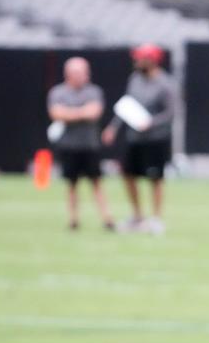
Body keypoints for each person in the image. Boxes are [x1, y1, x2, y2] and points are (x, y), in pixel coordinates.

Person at [101, 43, 177, 235]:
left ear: (152, 60)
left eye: (141, 58)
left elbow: (171, 113)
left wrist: (151, 123)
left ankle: (156, 218)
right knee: (128, 174)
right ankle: (137, 216)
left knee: (155, 178)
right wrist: (112, 127)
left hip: (156, 139)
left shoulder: (166, 83)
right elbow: (127, 106)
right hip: (134, 138)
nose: (137, 61)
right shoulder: (134, 79)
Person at [46, 57, 114, 231]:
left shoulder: (93, 91)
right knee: (71, 184)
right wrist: (82, 112)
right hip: (69, 146)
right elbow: (56, 113)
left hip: (90, 145)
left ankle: (107, 218)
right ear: (69, 74)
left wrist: (70, 113)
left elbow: (94, 112)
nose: (84, 76)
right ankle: (73, 219)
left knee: (97, 182)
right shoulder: (58, 92)